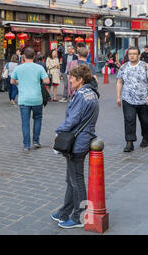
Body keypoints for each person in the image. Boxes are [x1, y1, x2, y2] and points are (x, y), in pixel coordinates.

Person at [52, 64, 99, 229]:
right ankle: (64, 212)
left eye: (72, 77)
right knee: (71, 179)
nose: (70, 80)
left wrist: (58, 131)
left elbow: (73, 119)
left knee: (76, 181)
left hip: (78, 142)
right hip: (83, 139)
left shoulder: (80, 95)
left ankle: (78, 217)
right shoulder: (91, 93)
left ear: (80, 79)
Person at [116, 46, 148, 152]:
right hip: (128, 99)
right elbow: (119, 82)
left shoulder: (145, 66)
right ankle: (129, 142)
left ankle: (145, 137)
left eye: (134, 54)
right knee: (129, 120)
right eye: (130, 54)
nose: (132, 56)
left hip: (144, 100)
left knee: (145, 121)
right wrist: (118, 97)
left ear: (139, 55)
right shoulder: (123, 67)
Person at [11, 47, 50, 151]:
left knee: (25, 122)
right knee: (37, 119)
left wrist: (19, 82)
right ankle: (36, 141)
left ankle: (26, 145)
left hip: (23, 99)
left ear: (24, 56)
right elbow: (46, 81)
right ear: (34, 56)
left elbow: (12, 81)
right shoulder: (39, 68)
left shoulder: (18, 68)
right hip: (37, 98)